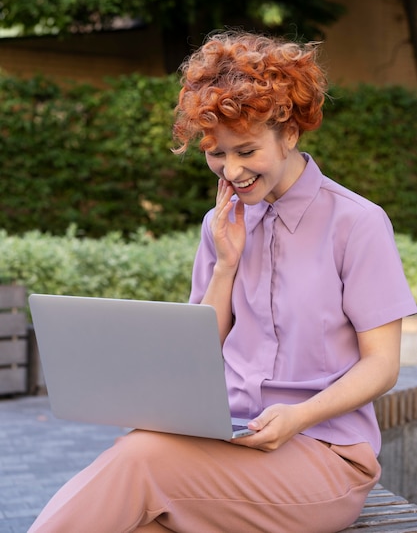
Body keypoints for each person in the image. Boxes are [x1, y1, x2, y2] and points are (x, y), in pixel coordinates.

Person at [29, 30, 416, 533]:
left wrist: (297, 417)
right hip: (223, 444)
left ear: (291, 133)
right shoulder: (222, 225)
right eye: (216, 153)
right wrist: (226, 264)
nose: (230, 171)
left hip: (323, 456)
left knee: (139, 460)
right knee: (139, 522)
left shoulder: (357, 224)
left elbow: (382, 366)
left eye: (246, 151)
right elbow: (199, 351)